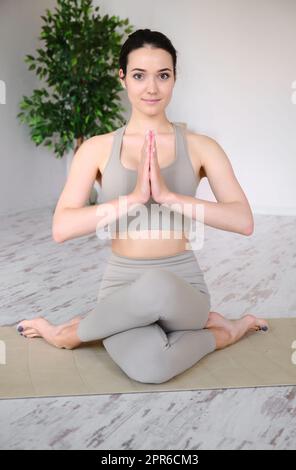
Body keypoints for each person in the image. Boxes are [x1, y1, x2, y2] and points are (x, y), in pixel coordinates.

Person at [16, 29, 268, 384]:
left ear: (175, 78)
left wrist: (171, 198)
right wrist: (131, 199)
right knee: (151, 368)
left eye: (163, 75)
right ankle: (224, 333)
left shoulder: (201, 147)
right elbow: (62, 228)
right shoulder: (97, 148)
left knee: (157, 286)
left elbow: (243, 221)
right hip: (121, 285)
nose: (152, 88)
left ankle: (67, 334)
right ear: (122, 78)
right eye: (139, 75)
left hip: (182, 288)